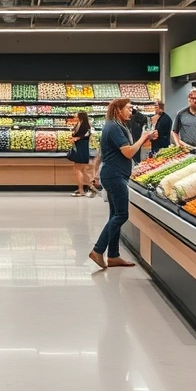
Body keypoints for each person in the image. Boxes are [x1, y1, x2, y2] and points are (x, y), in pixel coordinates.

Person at [90, 98, 157, 270]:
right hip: (114, 175)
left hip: (115, 174)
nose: (131, 111)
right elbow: (128, 152)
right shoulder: (113, 127)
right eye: (128, 108)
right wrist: (143, 137)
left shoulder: (119, 126)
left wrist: (148, 137)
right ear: (118, 110)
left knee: (115, 214)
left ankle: (113, 256)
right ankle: (98, 250)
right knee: (121, 215)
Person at [69, 111, 95, 197]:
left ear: (81, 116)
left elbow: (87, 135)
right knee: (81, 170)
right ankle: (91, 187)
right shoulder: (79, 124)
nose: (75, 117)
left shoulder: (87, 125)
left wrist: (77, 138)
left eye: (76, 116)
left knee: (78, 170)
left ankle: (81, 191)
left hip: (82, 148)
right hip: (79, 147)